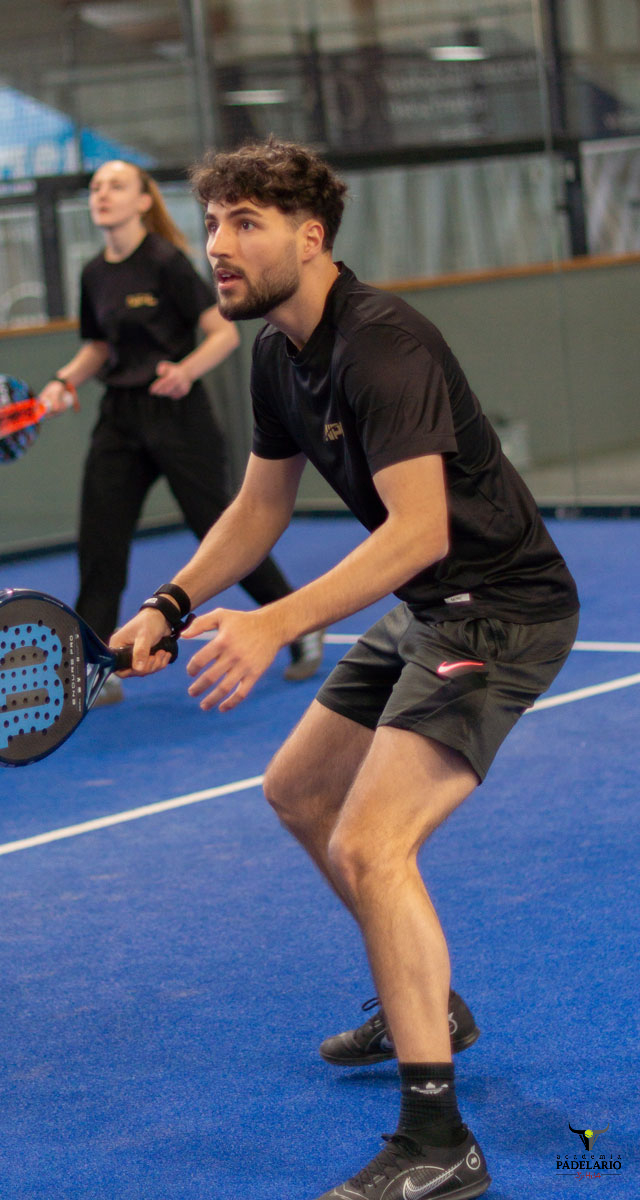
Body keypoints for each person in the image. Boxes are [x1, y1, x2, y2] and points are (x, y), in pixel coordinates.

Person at [110, 139, 579, 1199]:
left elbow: (415, 531)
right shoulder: (279, 353)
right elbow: (259, 506)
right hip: (429, 608)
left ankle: (437, 1145)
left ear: (309, 236)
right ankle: (428, 1000)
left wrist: (272, 623)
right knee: (297, 791)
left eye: (244, 224)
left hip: (499, 610)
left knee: (372, 845)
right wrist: (169, 601)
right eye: (215, 222)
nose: (219, 247)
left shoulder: (382, 344)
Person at [38, 158, 324, 703]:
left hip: (177, 417)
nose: (103, 194)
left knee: (223, 532)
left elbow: (222, 333)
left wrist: (184, 371)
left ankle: (298, 623)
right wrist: (61, 382)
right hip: (119, 419)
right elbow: (98, 347)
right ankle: (95, 663)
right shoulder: (93, 272)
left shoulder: (168, 262)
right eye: (96, 187)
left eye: (116, 185)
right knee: (99, 542)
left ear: (143, 200)